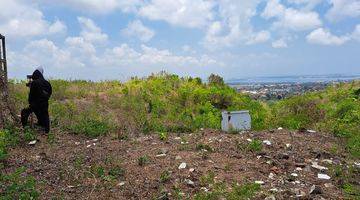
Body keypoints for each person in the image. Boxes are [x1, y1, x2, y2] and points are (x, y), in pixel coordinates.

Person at [21, 67, 52, 133]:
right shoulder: (47, 83)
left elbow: (31, 95)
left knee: (24, 112)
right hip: (44, 104)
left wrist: (30, 103)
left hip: (35, 105)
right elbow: (49, 93)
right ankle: (47, 130)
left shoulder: (34, 83)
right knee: (45, 115)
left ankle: (25, 127)